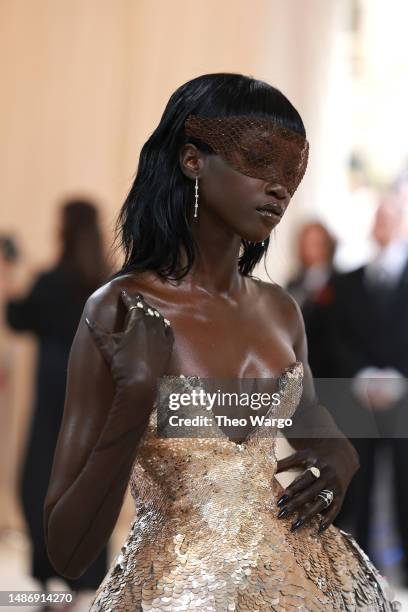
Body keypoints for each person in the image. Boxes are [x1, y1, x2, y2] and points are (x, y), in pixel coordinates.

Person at [44, 74, 399, 610]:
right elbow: (67, 552)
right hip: (173, 596)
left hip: (302, 588)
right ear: (192, 160)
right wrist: (134, 399)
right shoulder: (118, 309)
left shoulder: (281, 310)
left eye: (292, 169)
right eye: (259, 160)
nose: (279, 186)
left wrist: (340, 455)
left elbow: (314, 427)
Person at [5, 200, 110, 606]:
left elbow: (18, 317)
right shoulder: (109, 282)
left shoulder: (51, 282)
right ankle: (85, 580)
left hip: (53, 405)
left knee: (38, 487)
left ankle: (52, 578)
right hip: (95, 402)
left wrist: (13, 279)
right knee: (89, 486)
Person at [327, 193, 408, 579]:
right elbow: (337, 336)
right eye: (378, 219)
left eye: (390, 218)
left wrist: (399, 378)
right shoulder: (349, 279)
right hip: (359, 401)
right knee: (358, 480)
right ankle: (359, 566)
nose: (383, 225)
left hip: (405, 399)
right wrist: (360, 375)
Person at [287, 222, 337, 376]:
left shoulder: (339, 283)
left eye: (314, 243)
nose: (307, 249)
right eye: (304, 243)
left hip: (325, 367)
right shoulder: (294, 283)